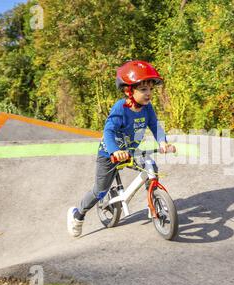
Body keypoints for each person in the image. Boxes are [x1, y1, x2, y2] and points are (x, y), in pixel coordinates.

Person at [67, 60, 176, 237]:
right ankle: (77, 214)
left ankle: (154, 201)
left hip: (131, 152)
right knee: (100, 190)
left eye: (150, 89)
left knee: (151, 167)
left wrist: (163, 143)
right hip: (109, 154)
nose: (148, 94)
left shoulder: (148, 109)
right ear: (129, 91)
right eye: (143, 90)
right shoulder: (121, 108)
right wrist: (114, 150)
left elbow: (155, 126)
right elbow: (108, 130)